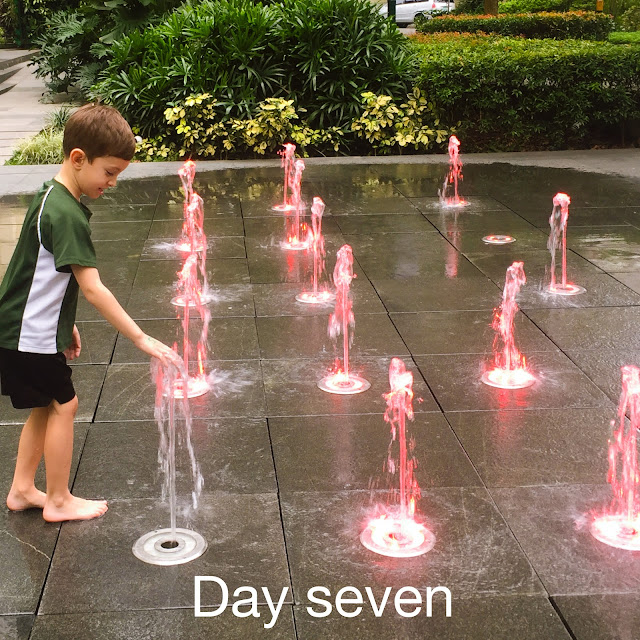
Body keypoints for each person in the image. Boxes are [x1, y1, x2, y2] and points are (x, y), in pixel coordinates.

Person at [0, 103, 178, 522]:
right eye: (109, 172)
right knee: (65, 405)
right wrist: (140, 338)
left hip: (24, 328)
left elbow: (38, 272)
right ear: (79, 158)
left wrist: (65, 323)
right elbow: (93, 288)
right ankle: (59, 500)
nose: (112, 183)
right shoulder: (66, 215)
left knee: (46, 404)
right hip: (28, 334)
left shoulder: (51, 196)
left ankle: (22, 489)